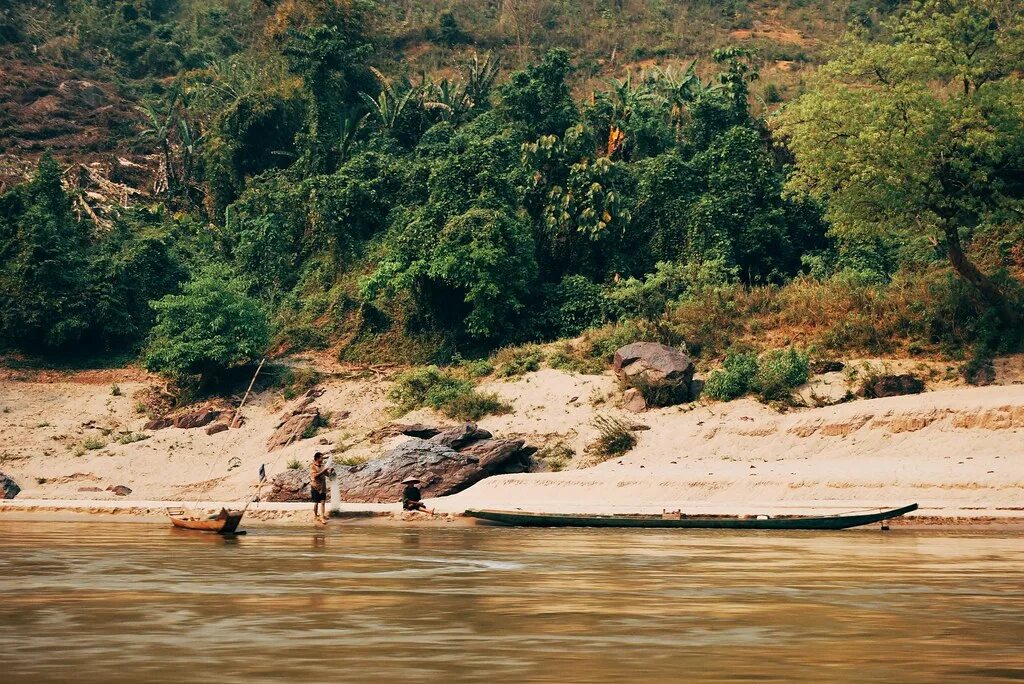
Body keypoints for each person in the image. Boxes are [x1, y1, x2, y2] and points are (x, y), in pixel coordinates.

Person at [309, 452, 334, 524]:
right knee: (316, 503)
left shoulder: (323, 466)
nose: (322, 459)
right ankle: (316, 515)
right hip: (316, 487)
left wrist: (331, 471)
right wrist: (323, 471)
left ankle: (322, 516)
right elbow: (315, 476)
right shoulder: (312, 466)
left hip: (323, 487)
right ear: (317, 458)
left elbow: (328, 475)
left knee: (323, 502)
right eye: (321, 458)